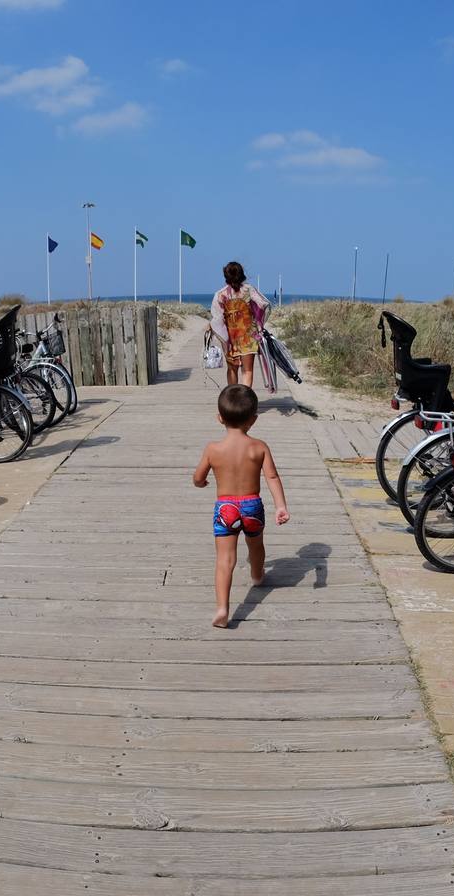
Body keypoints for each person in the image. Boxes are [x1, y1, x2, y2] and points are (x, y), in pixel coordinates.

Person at [192, 384, 290, 628]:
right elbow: (272, 477)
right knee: (256, 547)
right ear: (253, 420)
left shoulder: (213, 449)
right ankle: (257, 575)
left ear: (219, 418)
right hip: (251, 506)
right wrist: (280, 506)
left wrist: (203, 482)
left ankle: (223, 608)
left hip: (226, 508)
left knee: (225, 558)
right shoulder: (258, 447)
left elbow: (197, 478)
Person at [210, 261, 270, 387]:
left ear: (226, 276)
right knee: (247, 371)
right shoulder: (249, 290)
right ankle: (245, 401)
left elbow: (217, 318)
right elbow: (264, 304)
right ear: (242, 274)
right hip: (249, 336)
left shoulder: (220, 294)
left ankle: (233, 399)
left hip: (230, 339)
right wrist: (258, 324)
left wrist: (222, 336)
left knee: (232, 369)